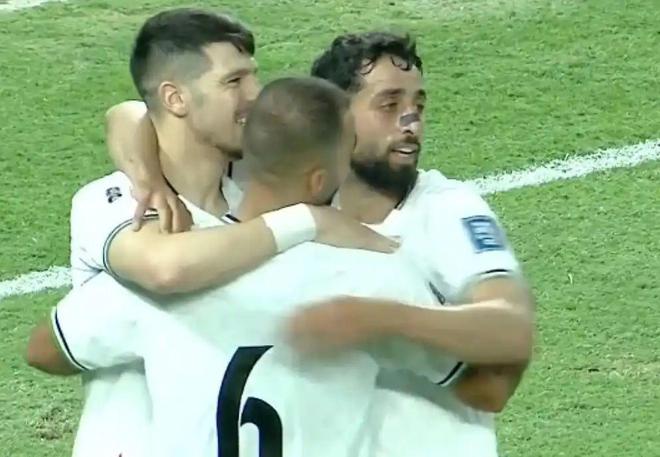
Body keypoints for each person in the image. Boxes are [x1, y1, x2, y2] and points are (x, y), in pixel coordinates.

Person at [106, 31, 535, 456]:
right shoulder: (283, 196)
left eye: (418, 106)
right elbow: (130, 115)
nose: (411, 123)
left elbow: (507, 338)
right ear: (337, 114)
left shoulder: (444, 210)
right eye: (389, 105)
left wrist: (375, 319)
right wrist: (147, 177)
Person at [28, 76, 464, 457]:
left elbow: (44, 350)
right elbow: (475, 380)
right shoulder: (376, 275)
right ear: (319, 180)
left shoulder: (171, 273)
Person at [61, 9, 395, 457]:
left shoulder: (253, 190)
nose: (256, 95)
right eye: (234, 81)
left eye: (253, 76)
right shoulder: (115, 202)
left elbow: (127, 114)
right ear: (176, 98)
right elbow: (165, 269)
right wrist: (306, 221)